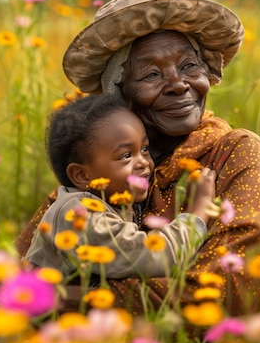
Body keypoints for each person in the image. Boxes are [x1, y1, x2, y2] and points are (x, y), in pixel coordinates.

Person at [16, 0, 260, 317]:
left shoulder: (235, 155)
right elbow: (12, 274)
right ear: (117, 93)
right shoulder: (98, 175)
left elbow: (228, 290)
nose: (178, 84)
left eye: (190, 66)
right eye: (152, 74)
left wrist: (70, 298)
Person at [25, 92, 215, 280]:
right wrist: (199, 209)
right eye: (126, 156)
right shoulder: (77, 213)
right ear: (82, 175)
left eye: (145, 149)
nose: (143, 162)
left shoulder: (111, 205)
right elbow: (154, 257)